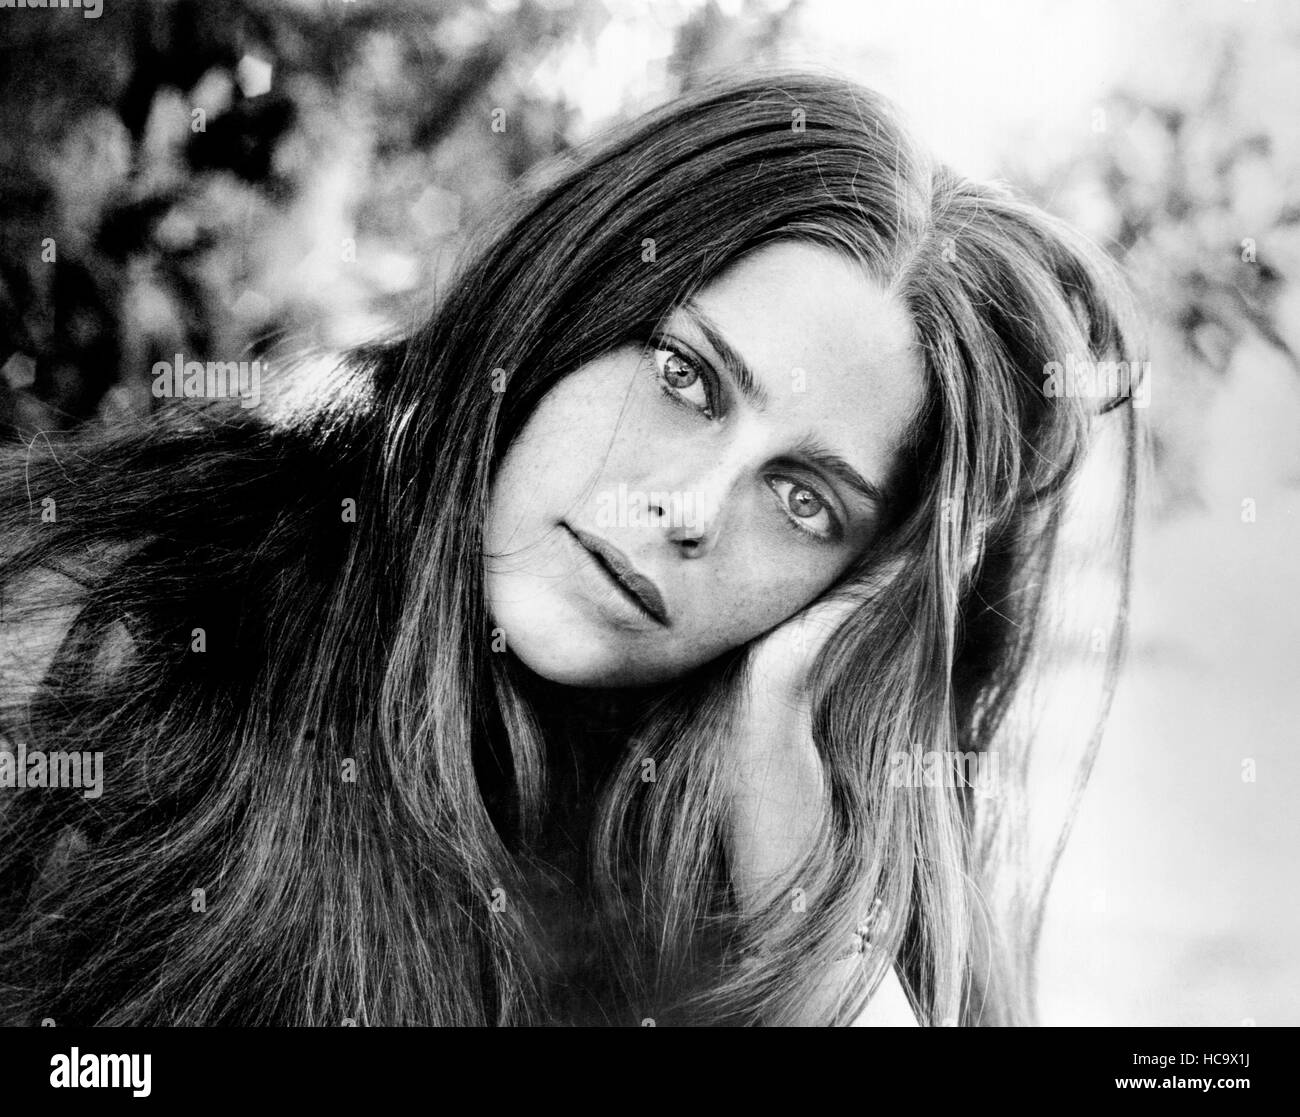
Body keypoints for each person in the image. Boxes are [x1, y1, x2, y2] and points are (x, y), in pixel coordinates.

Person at [0, 68, 1141, 1026]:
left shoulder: (730, 859)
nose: (689, 507)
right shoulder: (126, 628)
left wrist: (794, 841)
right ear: (560, 311)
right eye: (685, 377)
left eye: (803, 501)